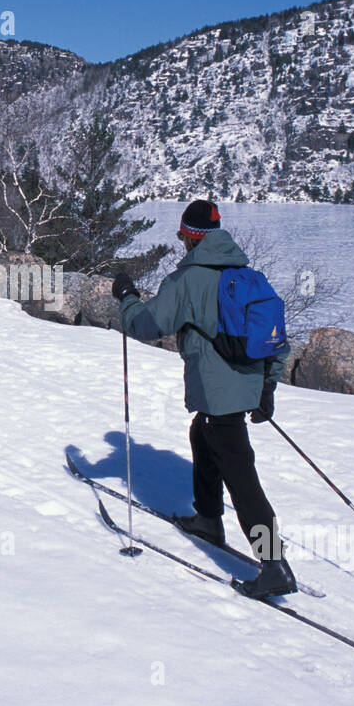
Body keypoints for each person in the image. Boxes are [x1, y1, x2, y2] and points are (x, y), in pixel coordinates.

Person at [111, 199, 296, 598]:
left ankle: (274, 563)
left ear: (191, 237)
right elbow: (278, 343)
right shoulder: (250, 277)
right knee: (202, 436)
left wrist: (127, 296)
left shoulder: (188, 281)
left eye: (181, 236)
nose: (181, 243)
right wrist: (266, 389)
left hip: (217, 393)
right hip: (244, 386)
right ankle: (209, 518)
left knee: (243, 479)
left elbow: (144, 325)